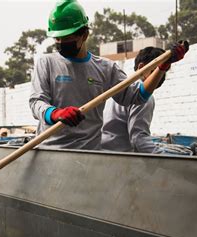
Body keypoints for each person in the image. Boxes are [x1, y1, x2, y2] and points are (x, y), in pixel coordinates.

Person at [29, 0, 188, 150]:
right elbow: (37, 102)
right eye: (57, 38)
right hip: (49, 152)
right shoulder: (46, 63)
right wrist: (55, 113)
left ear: (84, 35)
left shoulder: (105, 68)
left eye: (67, 38)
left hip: (89, 155)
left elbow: (137, 96)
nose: (61, 43)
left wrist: (162, 67)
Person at [101, 47, 167, 153]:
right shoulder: (142, 97)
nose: (162, 75)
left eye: (164, 71)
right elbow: (139, 139)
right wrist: (168, 159)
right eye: (159, 70)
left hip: (101, 154)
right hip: (120, 160)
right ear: (141, 67)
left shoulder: (118, 88)